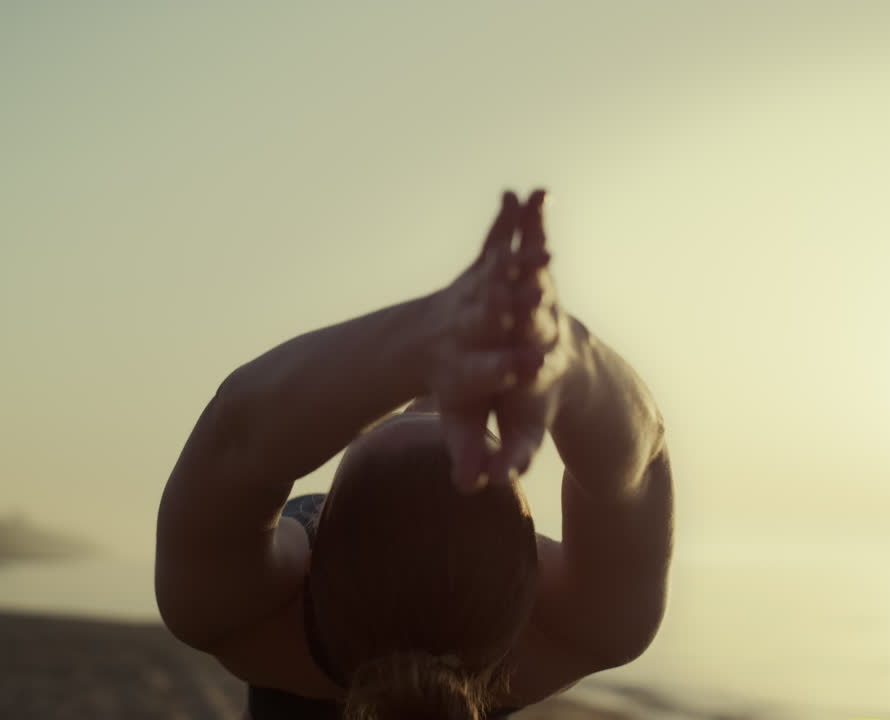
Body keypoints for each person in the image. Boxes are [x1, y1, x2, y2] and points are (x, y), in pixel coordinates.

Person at [156, 190, 673, 719]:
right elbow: (641, 455)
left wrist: (429, 333)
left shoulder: (235, 614)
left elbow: (236, 437)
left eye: (402, 418)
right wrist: (565, 356)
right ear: (534, 572)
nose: (430, 398)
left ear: (311, 551)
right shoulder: (586, 629)